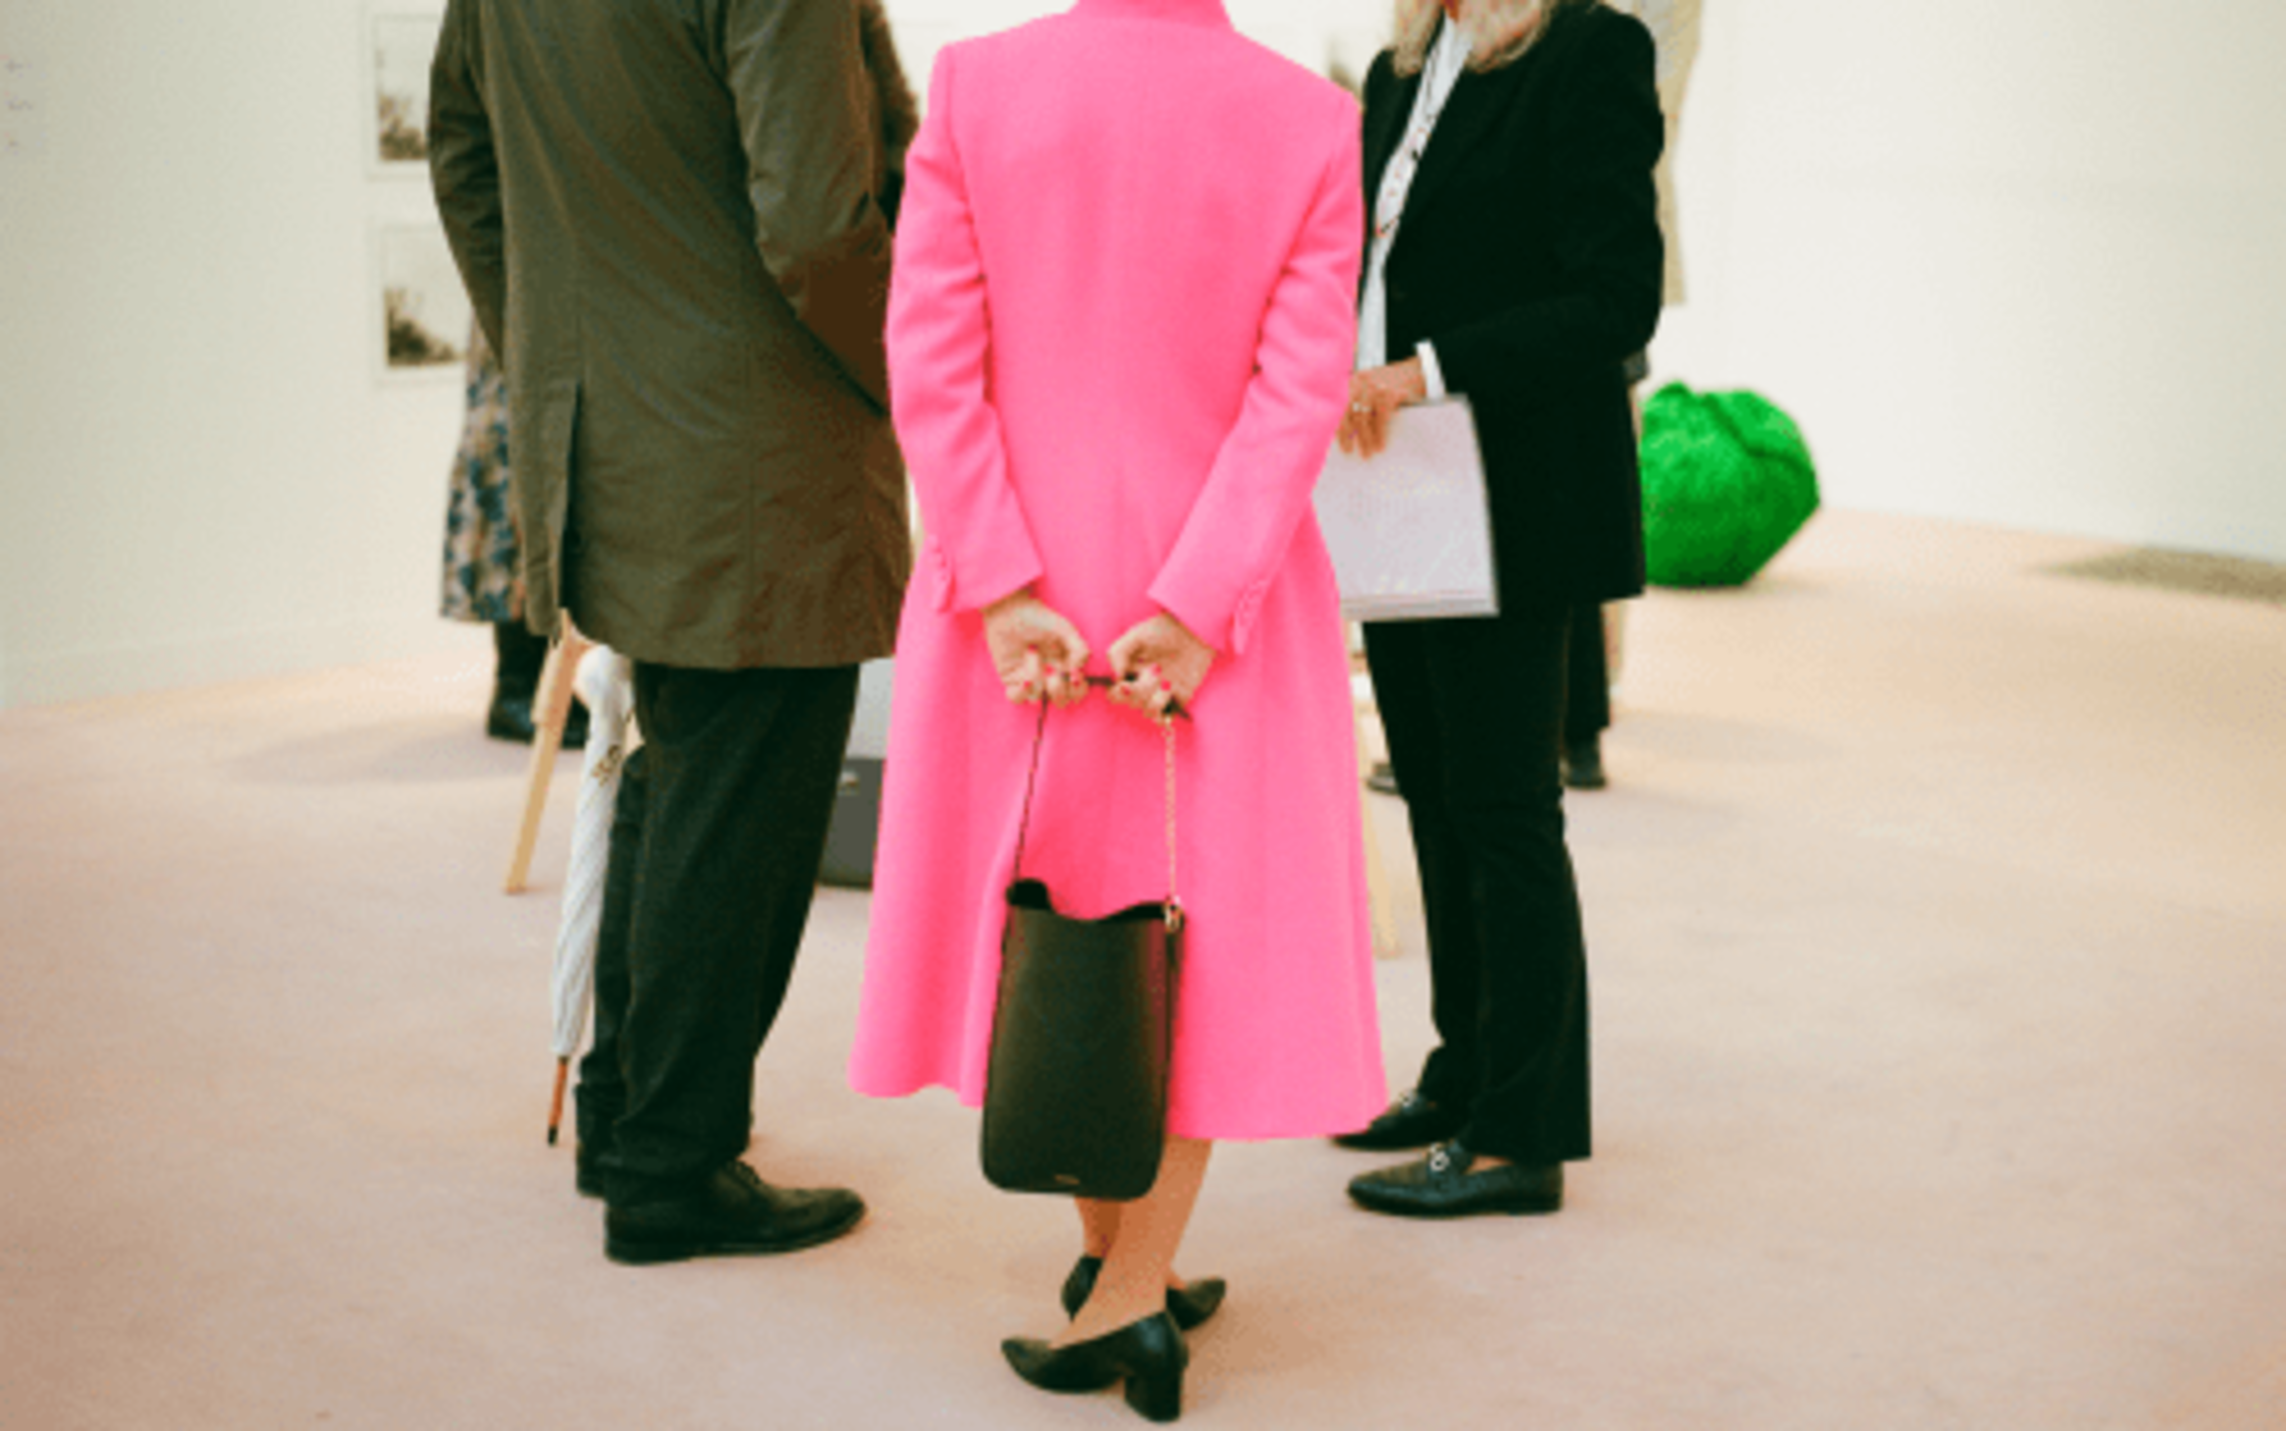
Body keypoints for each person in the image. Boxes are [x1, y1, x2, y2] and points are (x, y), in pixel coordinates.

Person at [848, 0, 1384, 1418]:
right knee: (1192, 946)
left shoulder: (976, 87)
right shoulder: (1309, 119)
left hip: (1022, 589)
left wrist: (997, 580)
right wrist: (1201, 606)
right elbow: (1297, 394)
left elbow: (930, 361)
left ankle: (1128, 1283)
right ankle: (1132, 1270)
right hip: (1217, 598)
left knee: (1064, 929)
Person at [430, 0, 910, 1262]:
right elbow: (818, 224)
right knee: (737, 804)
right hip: (759, 444)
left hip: (608, 434)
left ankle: (628, 1117)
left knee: (678, 775)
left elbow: (465, 162)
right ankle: (673, 1163)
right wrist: (914, 380)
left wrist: (560, 345)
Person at [1332, 0, 1664, 1218]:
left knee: (1505, 811)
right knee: (1432, 793)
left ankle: (1521, 1132)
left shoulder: (1590, 51)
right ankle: (1463, 1071)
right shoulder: (1403, 68)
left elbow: (1616, 298)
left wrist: (1425, 369)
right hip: (1399, 489)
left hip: (1519, 495)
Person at [437, 322, 587, 749]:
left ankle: (535, 688)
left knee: (531, 562)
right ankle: (514, 692)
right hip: (511, 426)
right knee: (516, 562)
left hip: (516, 418)